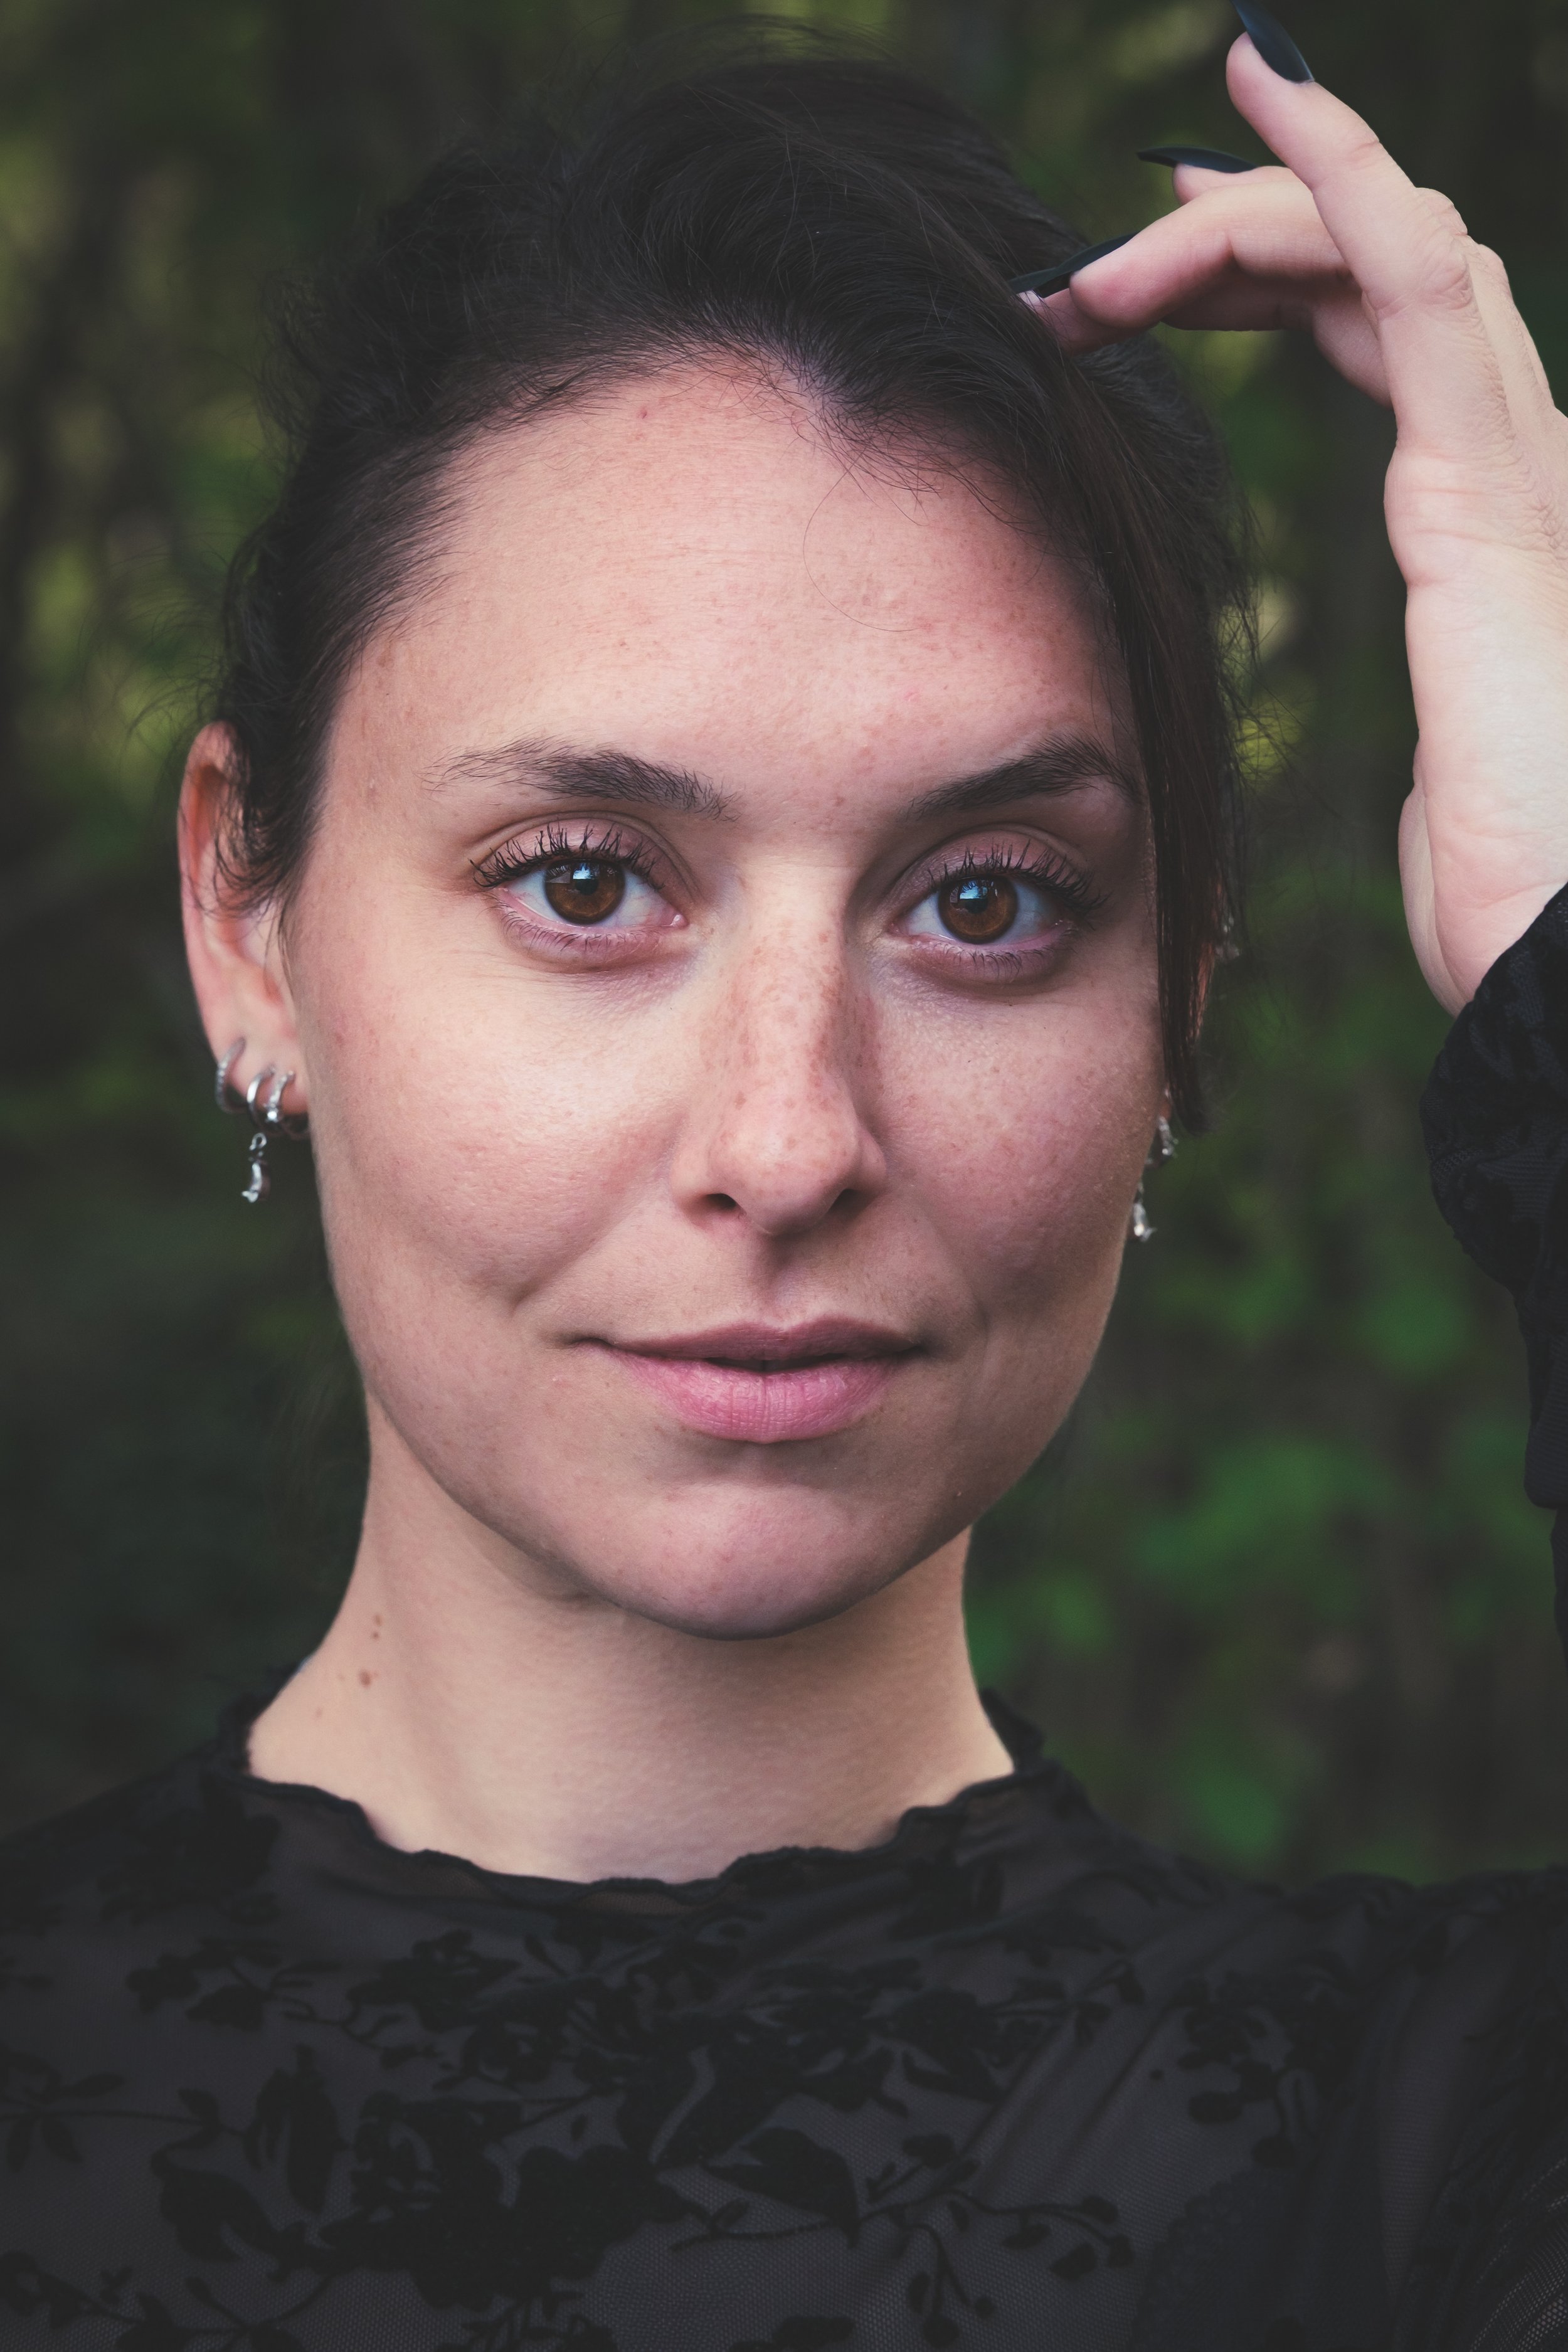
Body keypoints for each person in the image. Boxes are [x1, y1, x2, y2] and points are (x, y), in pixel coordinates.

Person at [3, 6, 1568, 2344]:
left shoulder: (1442, 2160)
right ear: (250, 916)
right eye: (583, 881)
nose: (784, 1143)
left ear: (1180, 996)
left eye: (984, 902)